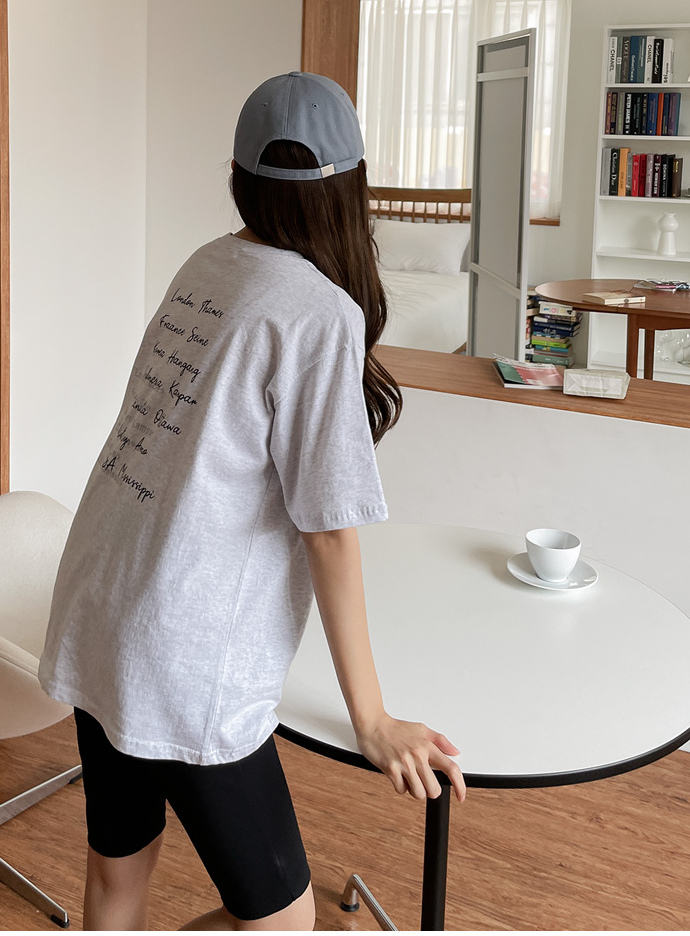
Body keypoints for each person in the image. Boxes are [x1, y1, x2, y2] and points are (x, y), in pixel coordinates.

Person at [38, 71, 465, 933]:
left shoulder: (208, 263)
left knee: (116, 882)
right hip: (182, 650)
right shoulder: (318, 312)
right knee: (282, 921)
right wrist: (372, 718)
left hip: (99, 606)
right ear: (352, 191)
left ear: (238, 177)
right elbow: (329, 531)